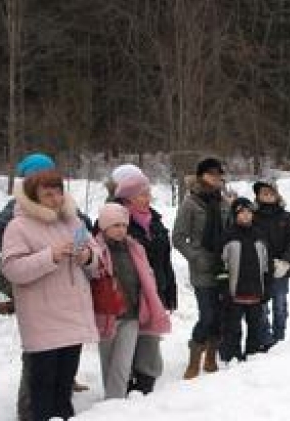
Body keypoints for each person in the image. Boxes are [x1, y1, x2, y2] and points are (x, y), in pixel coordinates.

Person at [0, 152, 93, 421]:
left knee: (64, 383)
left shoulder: (73, 220)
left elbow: (96, 253)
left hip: (72, 313)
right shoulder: (17, 226)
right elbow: (13, 269)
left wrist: (88, 257)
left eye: (59, 193)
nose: (56, 199)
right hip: (43, 316)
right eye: (48, 194)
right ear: (33, 196)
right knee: (43, 385)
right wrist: (50, 256)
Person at [91, 203, 171, 399]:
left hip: (132, 313)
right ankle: (111, 402)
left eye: (124, 225)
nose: (121, 230)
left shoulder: (135, 248)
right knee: (108, 361)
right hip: (106, 314)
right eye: (115, 225)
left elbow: (146, 277)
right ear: (104, 227)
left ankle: (116, 401)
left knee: (124, 362)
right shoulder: (95, 249)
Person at [111, 167, 175, 393]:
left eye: (148, 193)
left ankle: (146, 380)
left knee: (150, 339)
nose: (147, 198)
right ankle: (126, 381)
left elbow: (165, 260)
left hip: (156, 289)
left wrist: (170, 292)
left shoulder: (155, 221)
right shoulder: (116, 222)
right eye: (141, 194)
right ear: (127, 198)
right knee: (127, 342)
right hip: (130, 293)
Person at [171, 157, 229, 378]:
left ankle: (211, 357)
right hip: (202, 267)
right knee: (207, 315)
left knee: (219, 315)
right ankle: (195, 357)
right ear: (201, 176)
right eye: (211, 174)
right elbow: (177, 237)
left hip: (222, 266)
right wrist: (195, 257)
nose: (216, 178)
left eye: (219, 174)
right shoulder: (191, 203)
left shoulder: (223, 202)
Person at [216, 197, 271, 363]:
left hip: (255, 292)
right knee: (232, 328)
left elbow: (266, 265)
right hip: (235, 293)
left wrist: (266, 287)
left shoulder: (260, 236)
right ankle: (231, 357)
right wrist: (224, 289)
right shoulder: (228, 236)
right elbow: (220, 266)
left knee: (255, 326)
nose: (246, 216)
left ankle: (252, 357)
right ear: (235, 215)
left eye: (249, 212)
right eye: (242, 213)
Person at [252, 179, 290, 344]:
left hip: (281, 268)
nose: (267, 195)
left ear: (276, 195)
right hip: (259, 270)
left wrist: (286, 262)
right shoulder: (252, 217)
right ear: (258, 196)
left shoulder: (286, 218)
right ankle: (266, 340)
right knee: (261, 306)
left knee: (279, 305)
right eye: (263, 192)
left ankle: (279, 338)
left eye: (270, 192)